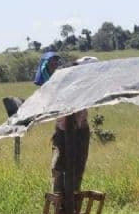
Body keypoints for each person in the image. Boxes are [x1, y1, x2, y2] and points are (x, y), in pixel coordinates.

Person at [42, 55, 98, 195]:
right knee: (59, 169)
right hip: (63, 132)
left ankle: (73, 199)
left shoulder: (86, 85)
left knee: (77, 170)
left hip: (81, 131)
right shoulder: (64, 79)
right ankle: (59, 200)